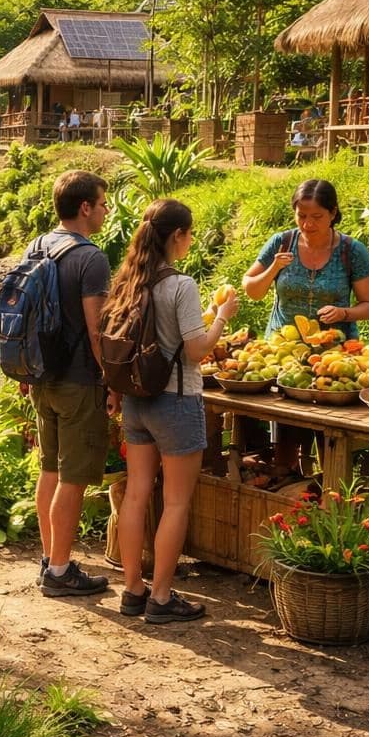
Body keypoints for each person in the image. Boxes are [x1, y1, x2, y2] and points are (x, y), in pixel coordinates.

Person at [108, 199, 238, 623]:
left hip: (136, 399)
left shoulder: (129, 279)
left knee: (138, 493)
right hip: (176, 400)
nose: (191, 240)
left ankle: (132, 589)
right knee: (177, 502)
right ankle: (161, 597)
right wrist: (221, 318)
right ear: (177, 236)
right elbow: (197, 350)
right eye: (190, 233)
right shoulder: (181, 285)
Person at [241, 179, 369, 478]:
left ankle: (330, 489)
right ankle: (286, 480)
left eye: (316, 216)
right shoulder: (281, 242)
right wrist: (274, 268)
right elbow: (251, 289)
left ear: (333, 213)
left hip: (335, 357)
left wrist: (343, 311)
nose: (308, 223)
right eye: (301, 215)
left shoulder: (351, 251)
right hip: (282, 352)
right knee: (287, 425)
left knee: (328, 430)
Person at [23, 171, 112, 598]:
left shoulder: (38, 245)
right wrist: (111, 380)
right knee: (72, 478)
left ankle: (50, 557)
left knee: (50, 468)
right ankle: (59, 571)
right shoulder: (91, 258)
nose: (106, 210)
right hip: (78, 380)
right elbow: (97, 331)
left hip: (41, 376)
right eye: (102, 203)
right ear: (84, 208)